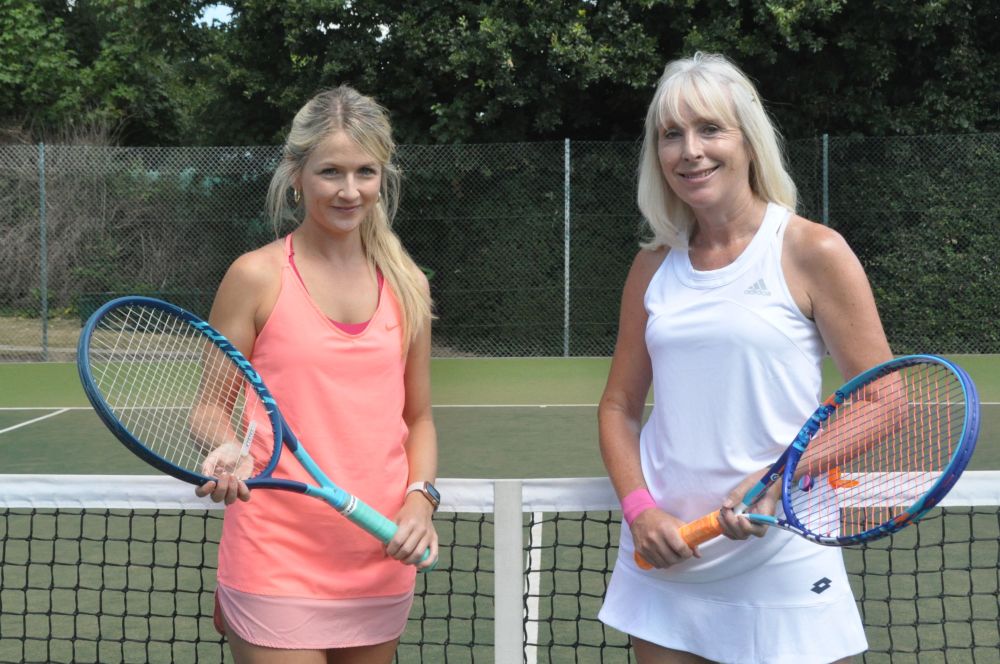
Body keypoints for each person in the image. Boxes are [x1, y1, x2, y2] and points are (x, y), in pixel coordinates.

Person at [597, 52, 892, 663]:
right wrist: (640, 511)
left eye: (710, 129)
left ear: (748, 140)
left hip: (782, 551)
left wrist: (777, 479)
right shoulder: (651, 266)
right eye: (671, 135)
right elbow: (619, 406)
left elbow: (884, 399)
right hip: (669, 556)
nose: (690, 151)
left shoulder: (812, 250)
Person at [194, 86, 439, 663]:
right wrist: (226, 448)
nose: (349, 191)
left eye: (365, 172)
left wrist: (421, 500)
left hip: (379, 551)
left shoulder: (408, 284)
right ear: (297, 175)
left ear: (382, 177)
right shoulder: (255, 276)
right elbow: (209, 405)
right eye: (331, 171)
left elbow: (419, 418)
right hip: (274, 553)